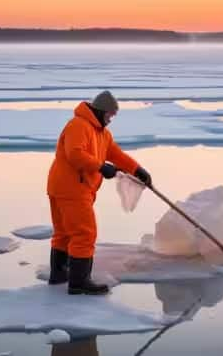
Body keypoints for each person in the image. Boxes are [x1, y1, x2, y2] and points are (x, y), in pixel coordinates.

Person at [47, 91, 152, 295]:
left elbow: (116, 155)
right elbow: (75, 154)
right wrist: (101, 167)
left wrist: (138, 170)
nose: (111, 119)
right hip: (72, 188)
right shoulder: (78, 125)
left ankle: (59, 274)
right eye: (110, 115)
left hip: (64, 187)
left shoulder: (102, 133)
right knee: (85, 233)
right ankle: (79, 282)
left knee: (65, 234)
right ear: (101, 110)